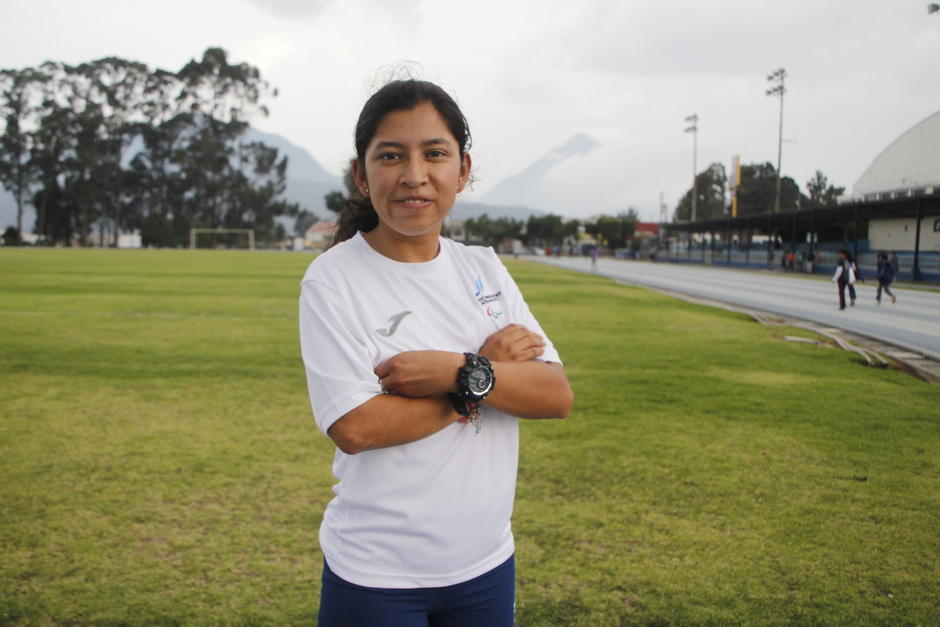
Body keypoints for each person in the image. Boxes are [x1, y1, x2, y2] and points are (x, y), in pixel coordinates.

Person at [299, 79, 573, 626]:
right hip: (378, 576)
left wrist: (458, 369)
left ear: (463, 170)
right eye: (391, 156)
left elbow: (554, 394)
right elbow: (356, 427)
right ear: (362, 173)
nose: (414, 175)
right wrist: (481, 381)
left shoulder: (484, 268)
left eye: (435, 154)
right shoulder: (333, 279)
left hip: (486, 565)